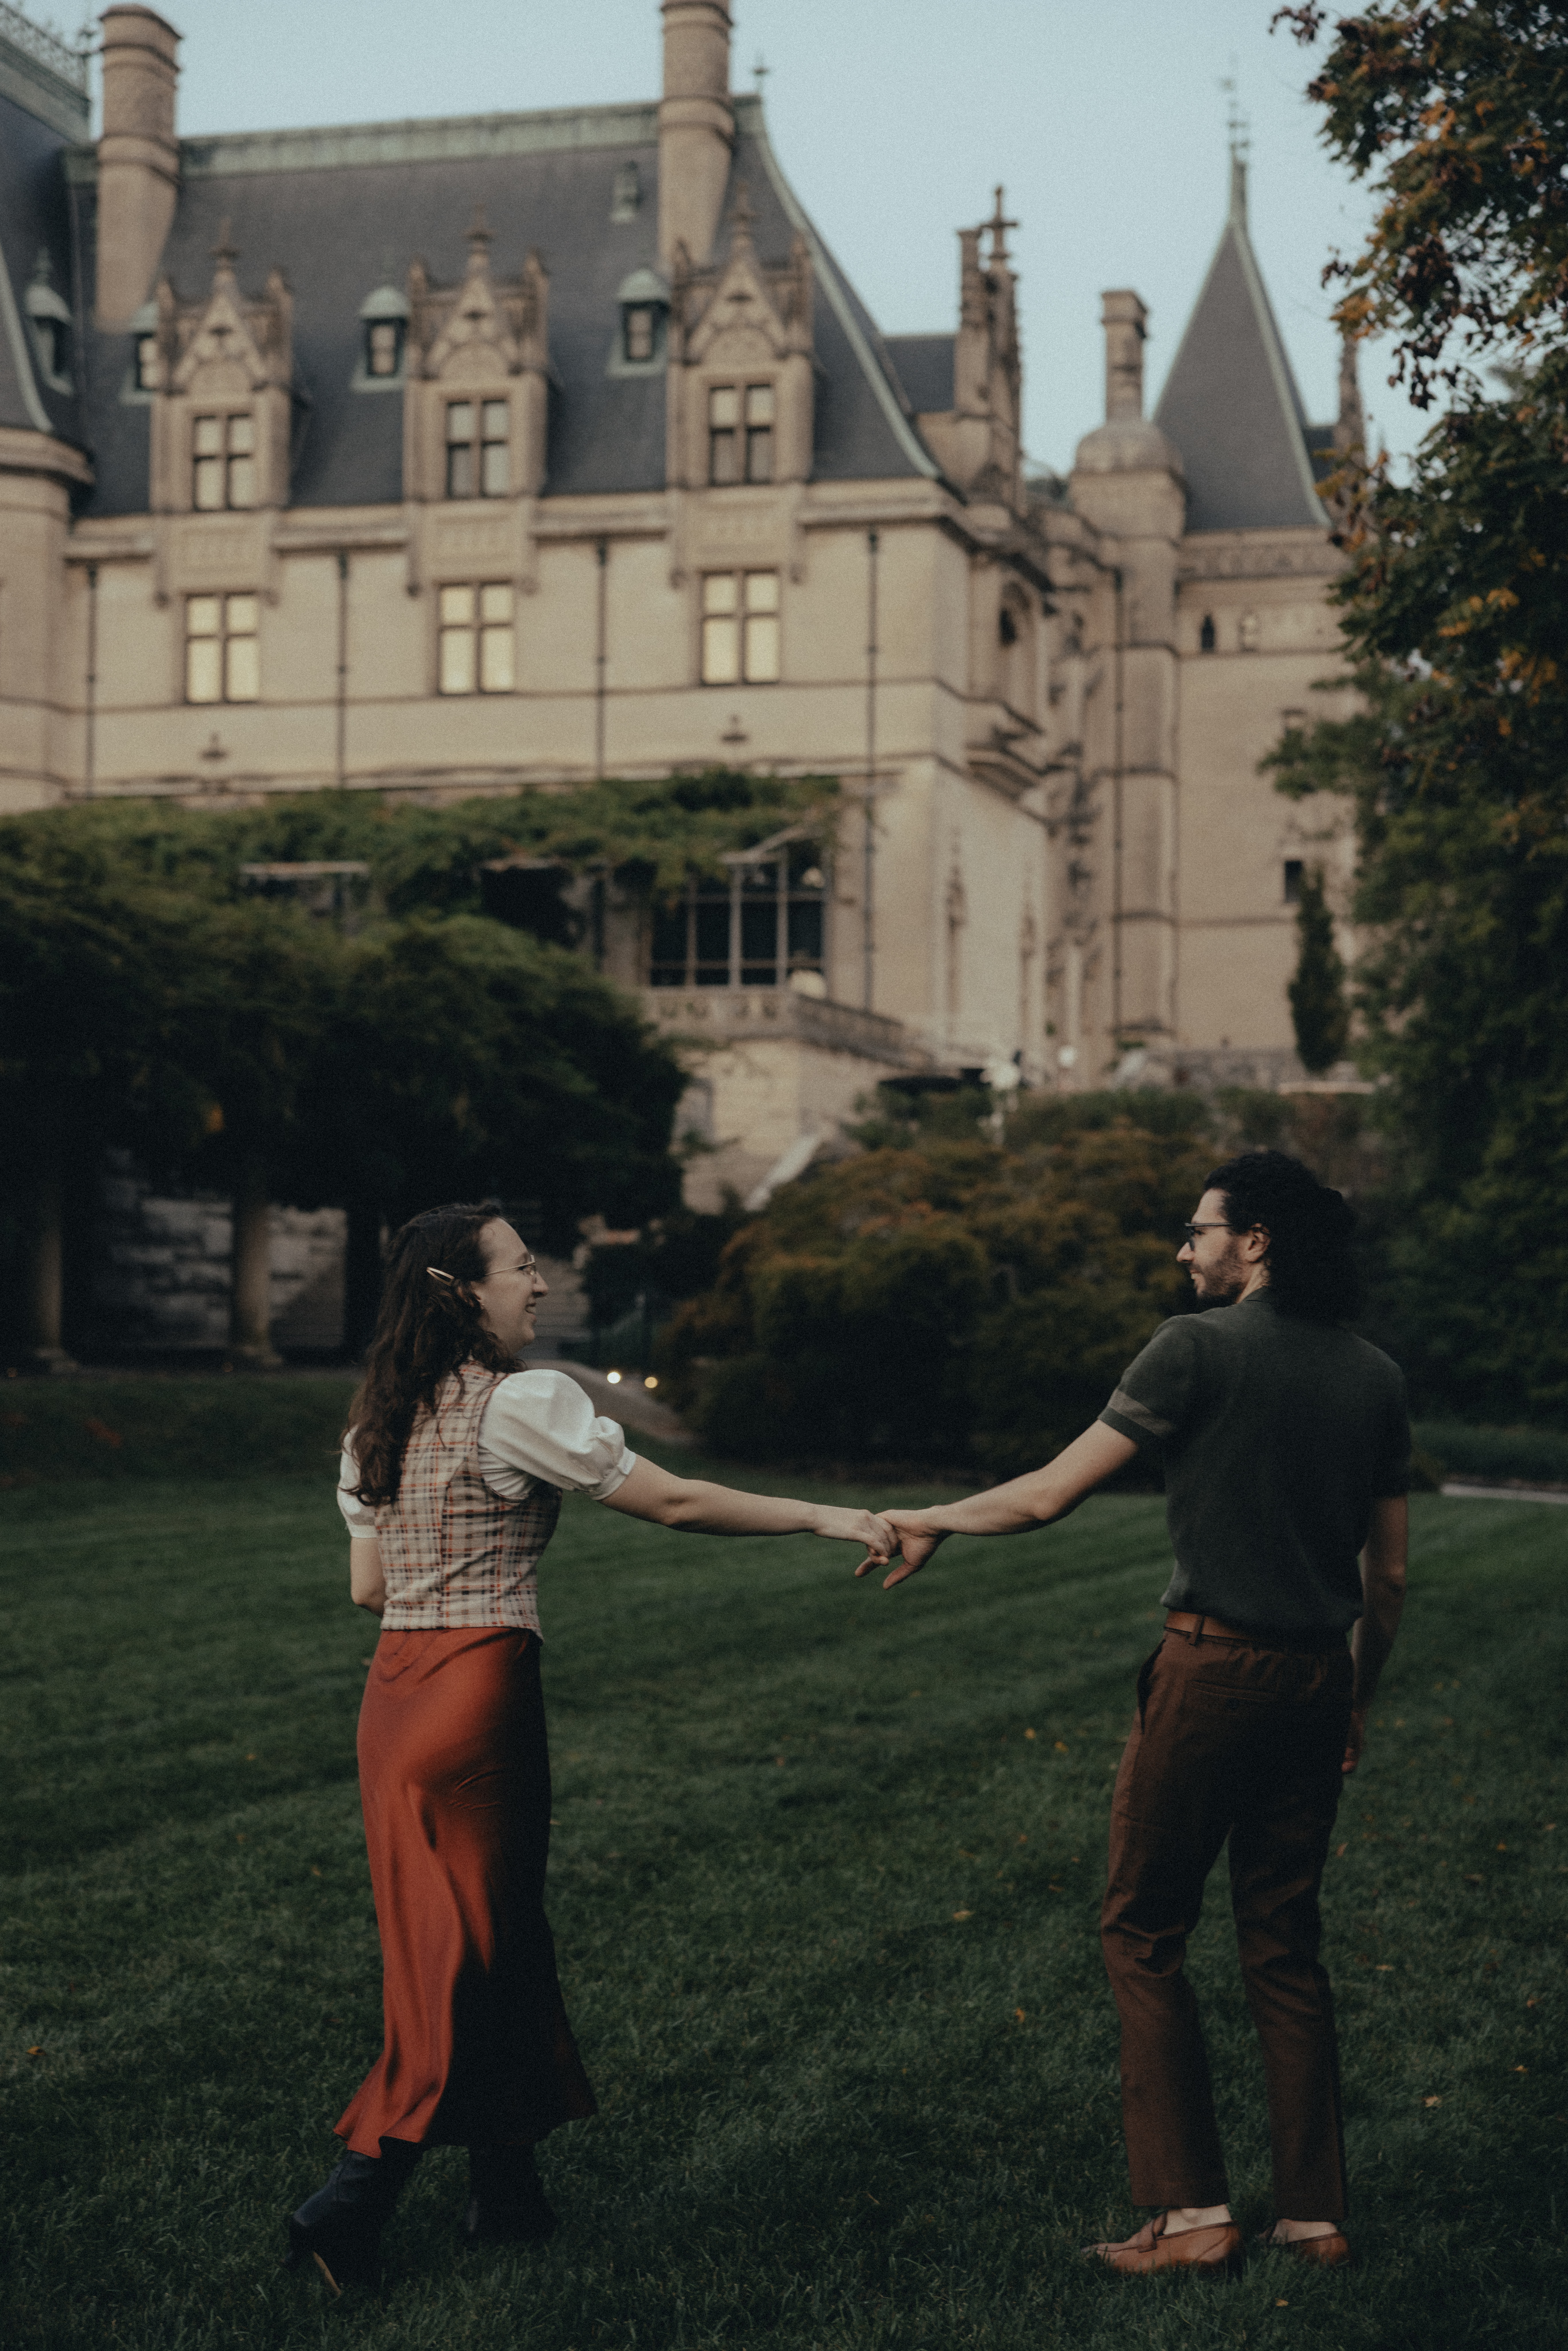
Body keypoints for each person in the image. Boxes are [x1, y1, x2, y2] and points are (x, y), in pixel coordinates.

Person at [287, 1198, 892, 2296]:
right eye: (522, 1268)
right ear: (460, 1292)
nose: (542, 1284)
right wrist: (824, 1517)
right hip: (478, 1696)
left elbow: (368, 1586)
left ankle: (506, 2195)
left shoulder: (380, 1416)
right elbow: (670, 1501)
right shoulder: (521, 1403)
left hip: (395, 1703)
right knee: (463, 1956)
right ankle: (352, 2198)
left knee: (492, 1934)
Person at [859, 1150, 1408, 2278]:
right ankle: (1314, 2216)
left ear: (1252, 1239)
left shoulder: (1193, 1346)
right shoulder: (1374, 1374)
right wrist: (1357, 1694)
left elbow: (1052, 1490)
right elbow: (1389, 1575)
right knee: (1284, 1945)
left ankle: (1194, 2212)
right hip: (1316, 1678)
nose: (1184, 1246)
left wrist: (930, 1516)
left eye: (1199, 1228)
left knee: (1143, 1929)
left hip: (1210, 1673)